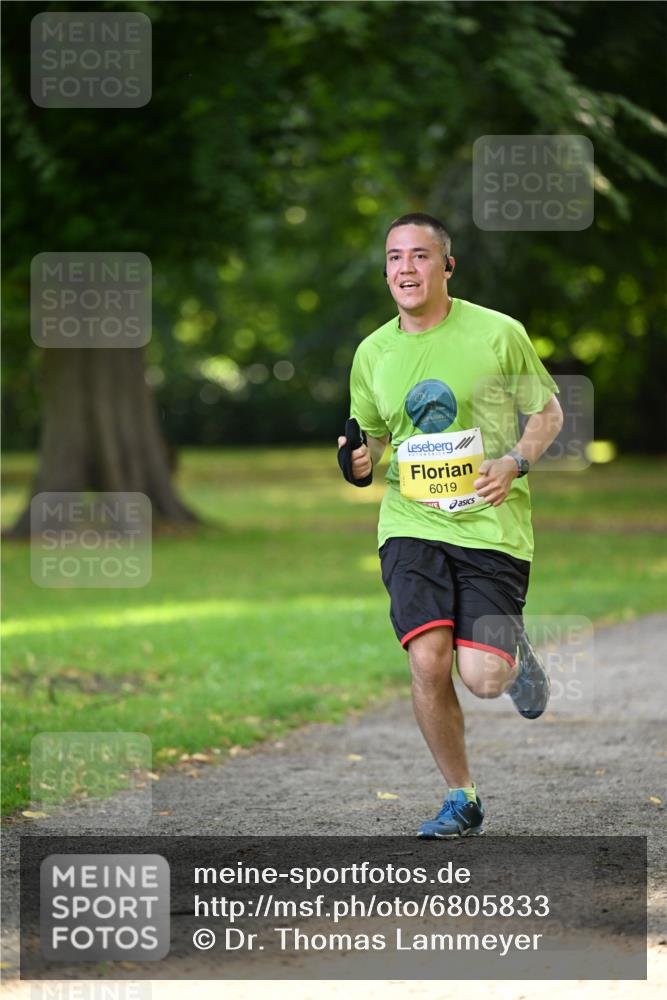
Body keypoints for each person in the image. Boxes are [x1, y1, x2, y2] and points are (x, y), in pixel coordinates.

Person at [337, 212, 564, 839]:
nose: (405, 268)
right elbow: (374, 439)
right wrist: (360, 461)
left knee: (483, 678)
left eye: (418, 256)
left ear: (446, 266)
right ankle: (460, 796)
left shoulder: (498, 334)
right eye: (393, 258)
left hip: (490, 525)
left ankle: (515, 658)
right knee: (428, 661)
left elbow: (546, 414)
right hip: (410, 524)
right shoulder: (373, 352)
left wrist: (515, 462)